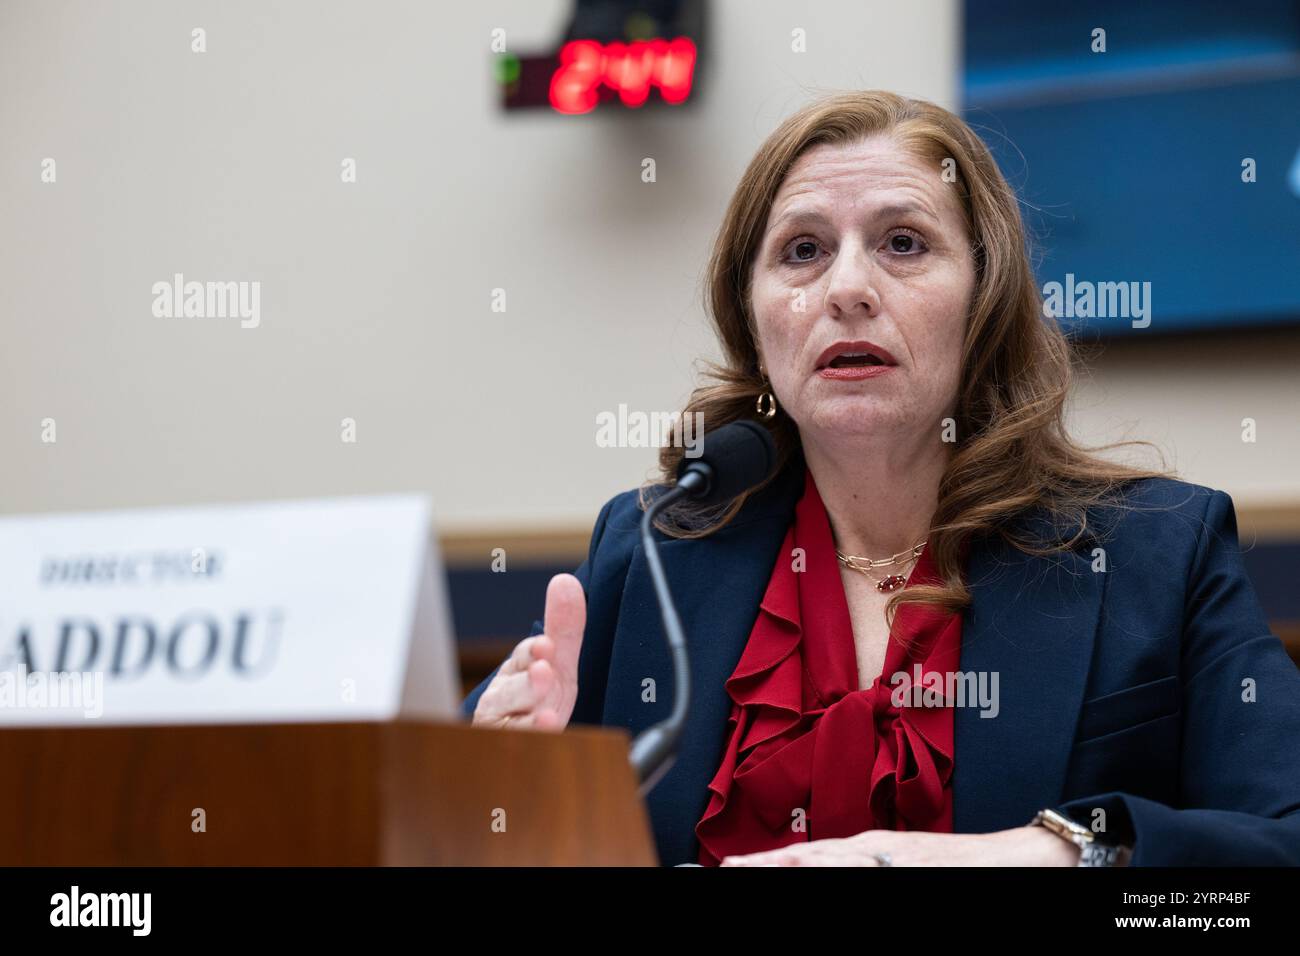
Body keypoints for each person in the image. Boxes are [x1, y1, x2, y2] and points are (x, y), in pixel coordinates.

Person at [462, 90, 1300, 867]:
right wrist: (491, 794)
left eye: (903, 243)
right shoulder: (654, 551)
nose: (848, 289)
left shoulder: (1157, 551)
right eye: (803, 251)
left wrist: (1052, 855)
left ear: (985, 302)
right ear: (753, 322)